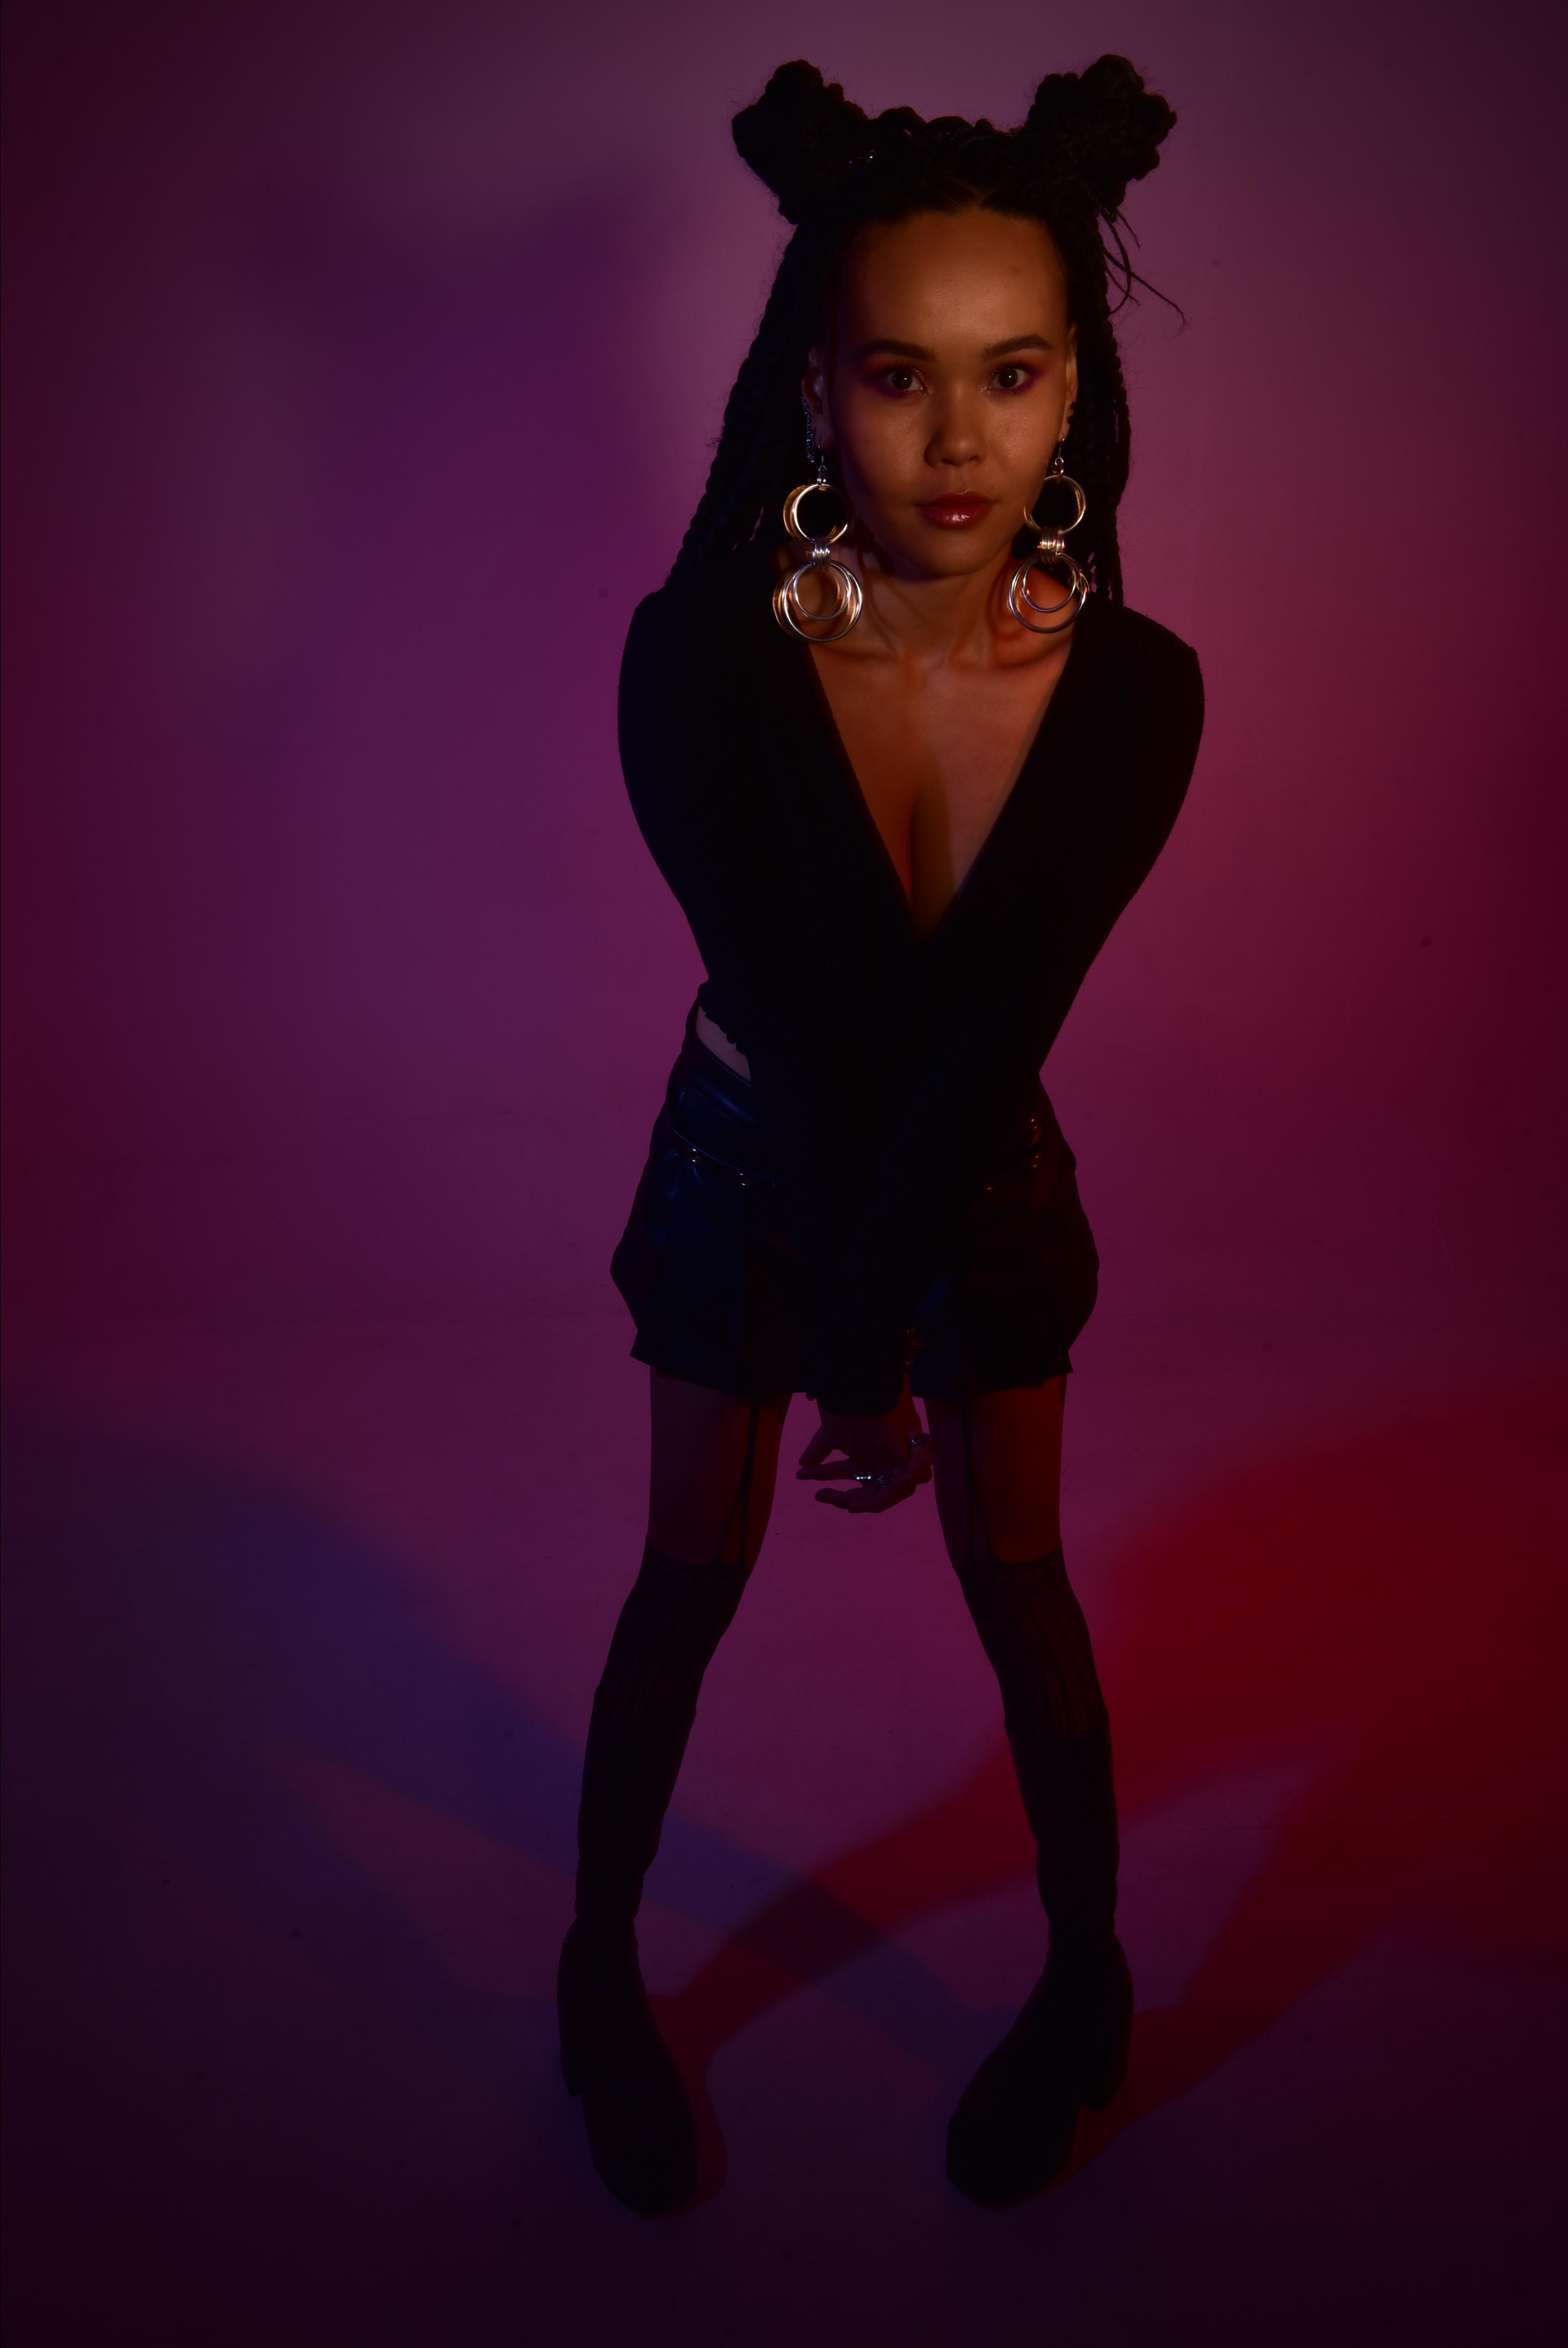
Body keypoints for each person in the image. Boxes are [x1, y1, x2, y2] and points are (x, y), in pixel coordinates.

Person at [557, 54, 1204, 2215]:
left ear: (1076, 385)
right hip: (750, 1156)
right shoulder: (695, 668)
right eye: (897, 375)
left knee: (1019, 1572)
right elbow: (798, 1013)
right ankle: (593, 1970)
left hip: (971, 1160)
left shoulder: (1135, 694)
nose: (958, 440)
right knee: (689, 1569)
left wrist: (885, 1323)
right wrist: (848, 1343)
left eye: (1011, 373)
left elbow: (989, 1031)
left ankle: (1087, 1978)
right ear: (813, 389)